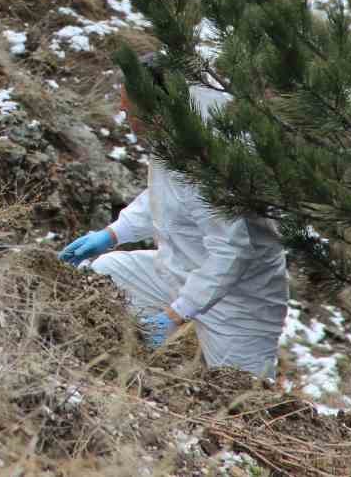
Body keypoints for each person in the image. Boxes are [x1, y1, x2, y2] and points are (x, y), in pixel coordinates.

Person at [58, 55, 288, 378]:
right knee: (106, 275)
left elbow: (232, 252)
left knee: (246, 398)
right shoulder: (172, 133)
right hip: (184, 267)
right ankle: (113, 371)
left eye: (131, 111)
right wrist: (112, 234)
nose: (126, 118)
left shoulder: (210, 157)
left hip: (240, 300)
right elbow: (167, 199)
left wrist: (174, 315)